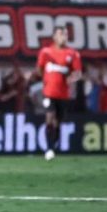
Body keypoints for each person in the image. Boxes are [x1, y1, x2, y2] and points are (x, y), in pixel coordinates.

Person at [35, 26, 82, 161]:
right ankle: (49, 149)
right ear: (54, 36)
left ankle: (53, 146)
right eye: (61, 34)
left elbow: (78, 73)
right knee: (49, 117)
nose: (64, 37)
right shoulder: (46, 52)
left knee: (57, 122)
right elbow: (39, 69)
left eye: (66, 34)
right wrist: (45, 79)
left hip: (63, 93)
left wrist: (70, 78)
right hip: (49, 92)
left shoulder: (72, 54)